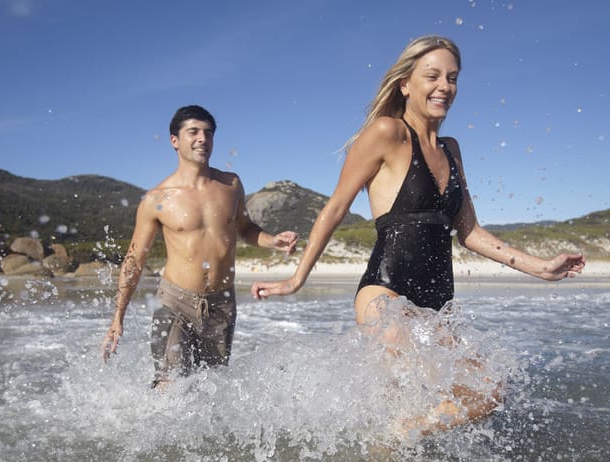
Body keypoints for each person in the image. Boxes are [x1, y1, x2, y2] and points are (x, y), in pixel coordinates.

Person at [251, 36, 585, 432]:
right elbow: (336, 207)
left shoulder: (451, 149)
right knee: (440, 395)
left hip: (438, 306)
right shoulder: (387, 133)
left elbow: (470, 231)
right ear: (405, 84)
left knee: (478, 394)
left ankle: (394, 445)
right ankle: (395, 444)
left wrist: (541, 268)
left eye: (453, 78)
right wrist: (296, 278)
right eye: (433, 76)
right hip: (385, 295)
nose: (445, 86)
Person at [102, 105, 298, 388]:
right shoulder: (157, 198)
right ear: (174, 140)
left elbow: (244, 228)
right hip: (174, 302)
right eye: (193, 132)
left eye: (208, 133)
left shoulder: (231, 185)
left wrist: (273, 240)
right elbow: (134, 260)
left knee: (210, 389)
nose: (202, 139)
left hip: (222, 303)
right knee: (169, 386)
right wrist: (117, 319)